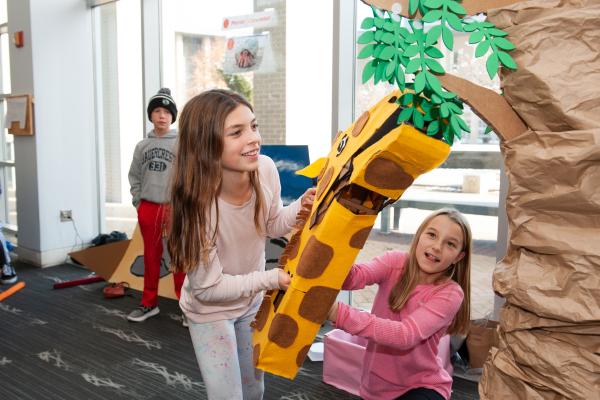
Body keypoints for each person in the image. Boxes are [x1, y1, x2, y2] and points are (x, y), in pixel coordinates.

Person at [168, 89, 315, 400]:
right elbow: (208, 288)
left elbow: (272, 223)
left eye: (254, 126)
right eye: (237, 132)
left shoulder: (265, 169)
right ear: (205, 144)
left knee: (253, 388)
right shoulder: (199, 205)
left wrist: (302, 206)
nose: (253, 138)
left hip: (250, 302)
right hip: (210, 312)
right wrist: (271, 279)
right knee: (228, 396)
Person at [327, 208, 472, 400]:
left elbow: (405, 335)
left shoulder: (451, 293)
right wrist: (332, 245)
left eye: (450, 244)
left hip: (422, 386)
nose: (437, 246)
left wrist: (338, 313)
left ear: (458, 257)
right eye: (431, 235)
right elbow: (353, 278)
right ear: (419, 236)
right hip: (374, 388)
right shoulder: (394, 261)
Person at [127, 88, 186, 323]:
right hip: (149, 207)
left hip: (175, 208)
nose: (162, 115)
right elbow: (134, 176)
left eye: (166, 112)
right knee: (151, 257)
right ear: (151, 115)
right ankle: (149, 304)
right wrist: (138, 202)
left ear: (173, 117)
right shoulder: (142, 146)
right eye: (157, 111)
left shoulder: (182, 144)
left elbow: (190, 175)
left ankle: (186, 307)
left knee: (179, 257)